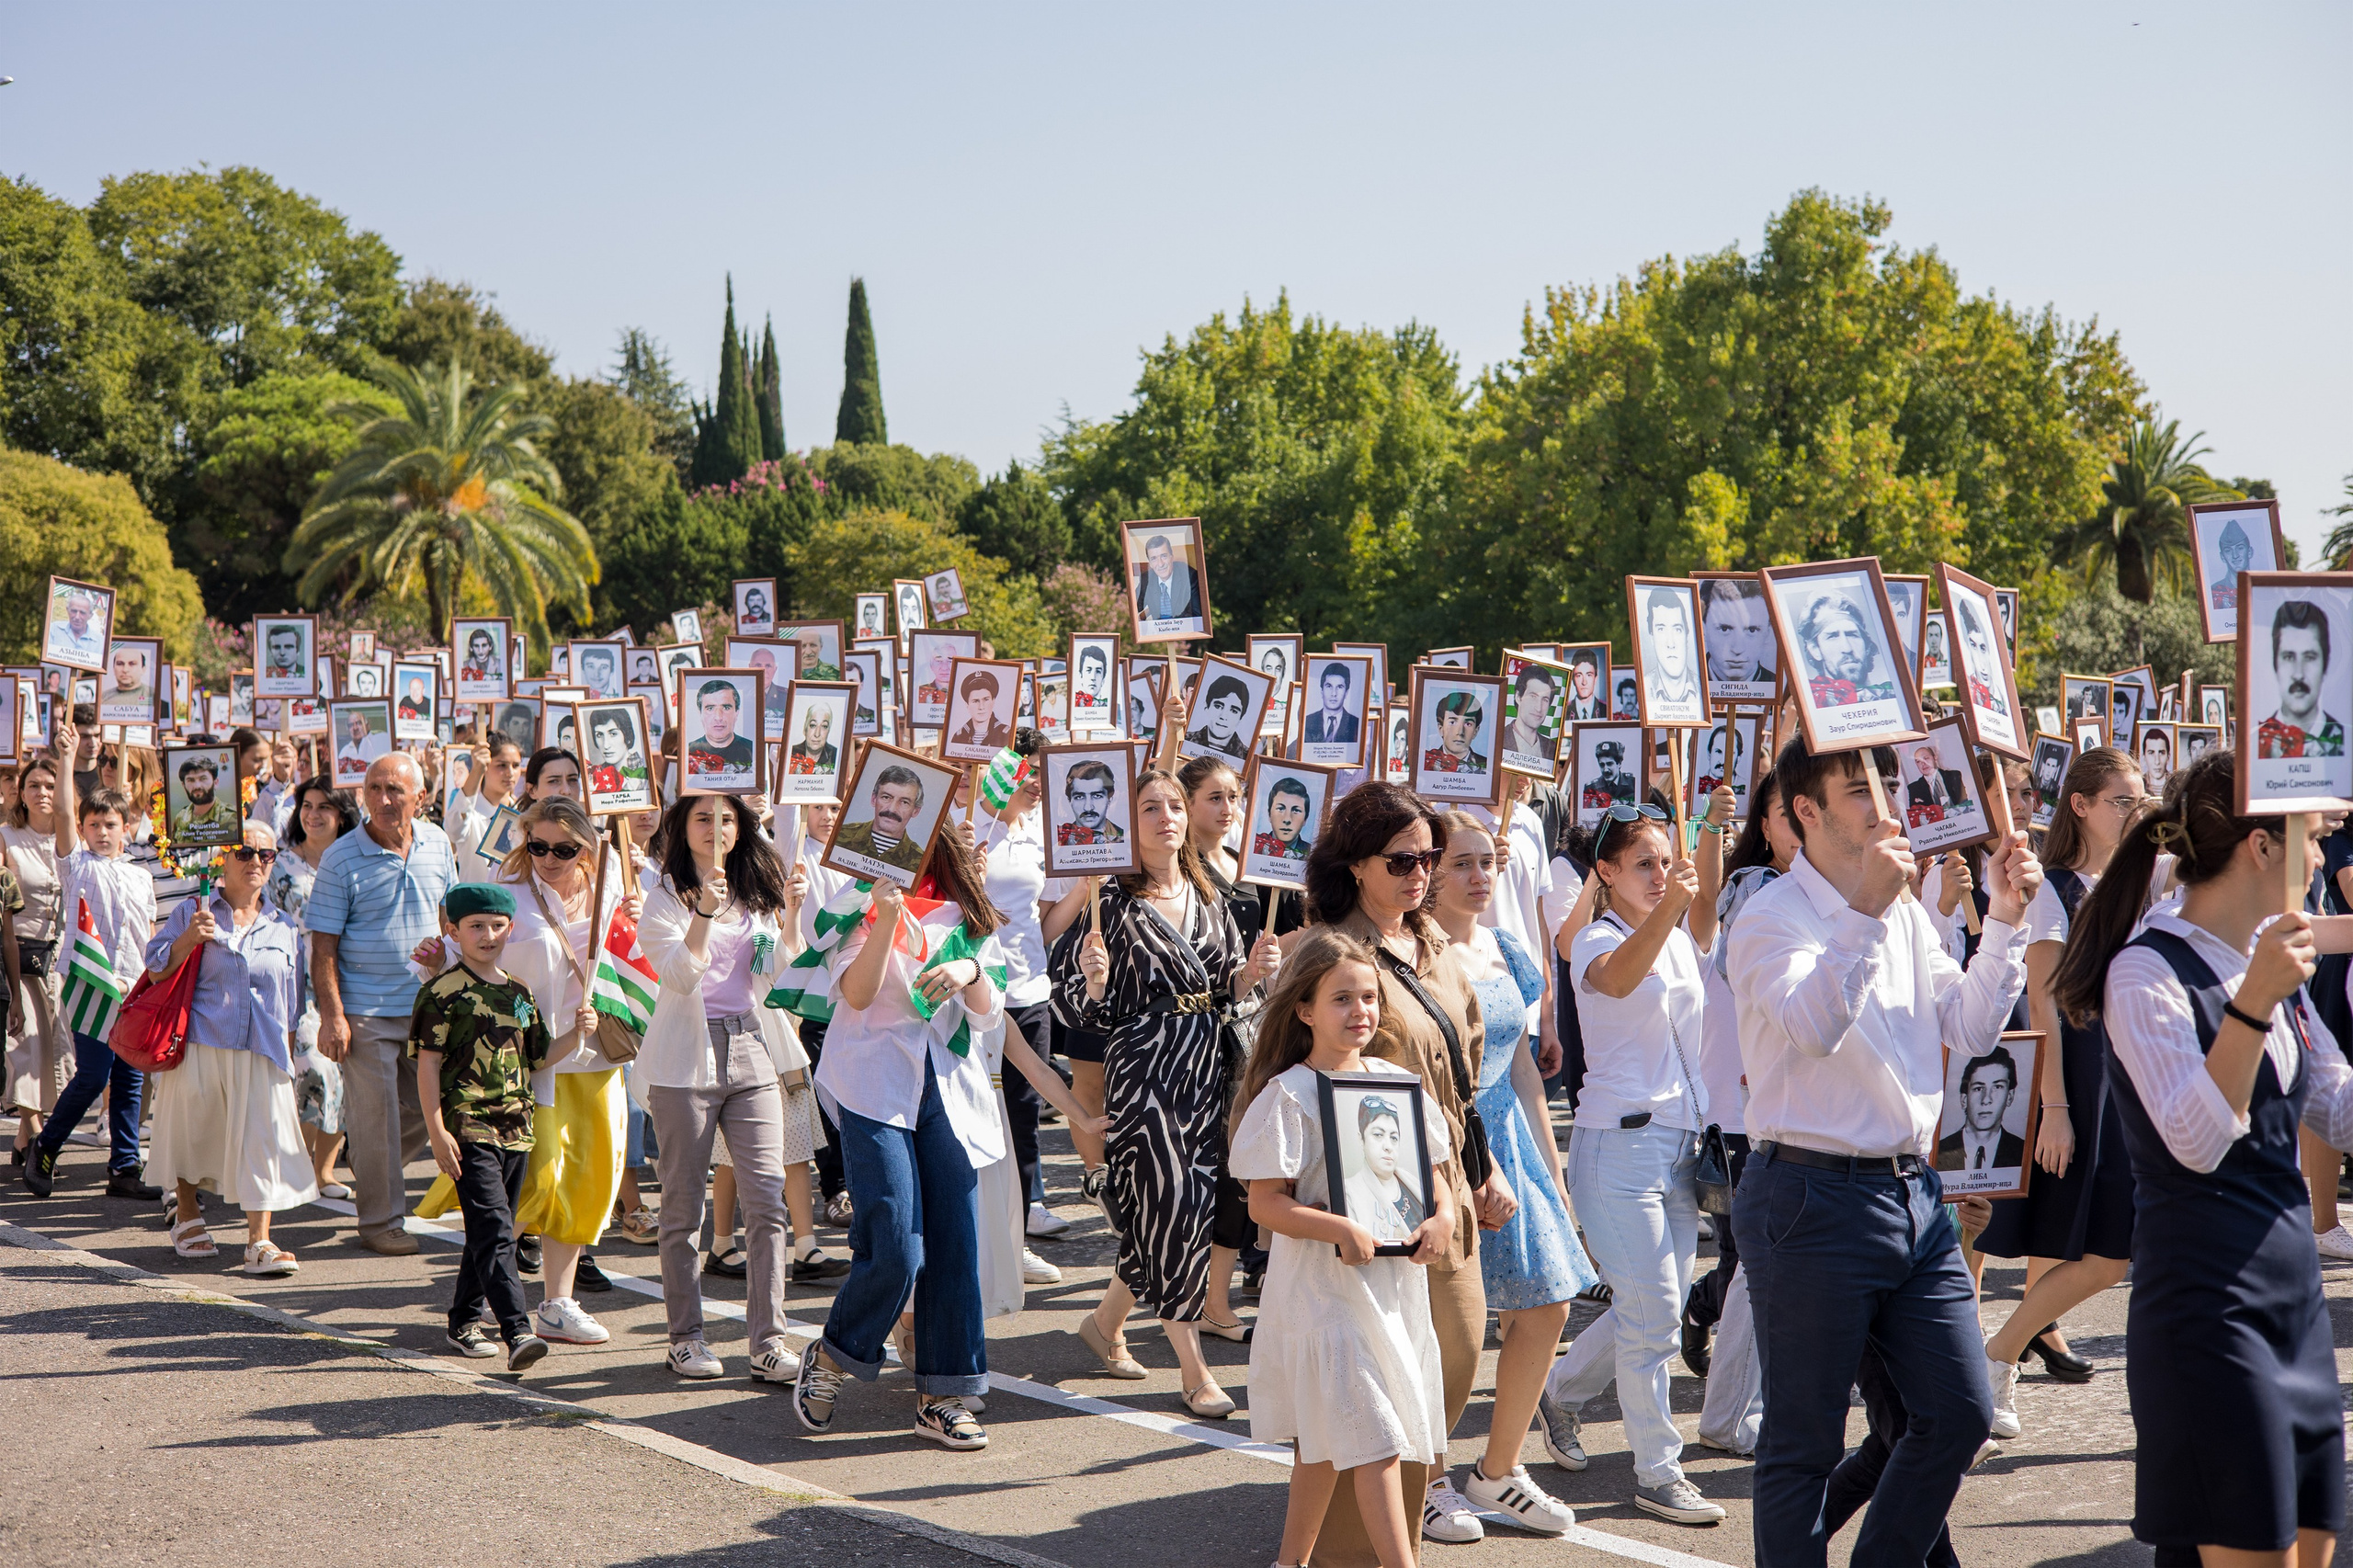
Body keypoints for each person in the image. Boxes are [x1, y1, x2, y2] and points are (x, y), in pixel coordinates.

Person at [1727, 734, 2040, 1567]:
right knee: (1802, 1443)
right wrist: (1866, 910)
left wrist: (2005, 921)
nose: (1886, 801)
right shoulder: (1766, 916)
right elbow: (1813, 1029)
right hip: (1807, 1196)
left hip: (1913, 1196)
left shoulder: (1900, 909)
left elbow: (1970, 1027)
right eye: (1858, 787)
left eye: (1887, 782)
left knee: (1959, 1413)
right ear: (1806, 811)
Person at [2051, 749, 2353, 1568]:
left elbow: (2339, 1108)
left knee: (2317, 1551)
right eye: (2313, 840)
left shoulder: (2265, 961)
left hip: (2295, 1305)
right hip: (2210, 1312)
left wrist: (2267, 989)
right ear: (2262, 848)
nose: (2323, 859)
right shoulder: (2149, 968)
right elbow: (2196, 1138)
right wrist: (2253, 1002)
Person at [1302, 780, 1510, 1551]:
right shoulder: (1335, 951)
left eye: (1428, 857)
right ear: (1356, 864)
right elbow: (1307, 1067)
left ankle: (1388, 1535)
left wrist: (1482, 1165)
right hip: (1373, 1186)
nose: (1419, 873)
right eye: (1400, 860)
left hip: (1449, 1185)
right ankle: (1358, 1553)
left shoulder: (1440, 947)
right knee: (1377, 1387)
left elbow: (1467, 1069)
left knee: (1449, 1364)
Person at [1053, 768, 1280, 1419]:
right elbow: (1074, 1008)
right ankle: (1194, 1371)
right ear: (1129, 825)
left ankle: (1103, 1323)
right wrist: (1094, 983)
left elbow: (1233, 994)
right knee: (1176, 1210)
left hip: (1209, 1066)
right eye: (1150, 807)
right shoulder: (1113, 906)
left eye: (1174, 805)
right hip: (1146, 1073)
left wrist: (1253, 974)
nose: (1166, 817)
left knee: (1183, 1212)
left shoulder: (1211, 894)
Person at [1232, 930, 1452, 1568]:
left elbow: (1428, 1172)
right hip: (1323, 1295)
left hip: (1388, 1290)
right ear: (1303, 1009)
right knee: (1376, 1435)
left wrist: (1438, 1216)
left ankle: (1289, 1562)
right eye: (1340, 999)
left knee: (1325, 1446)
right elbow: (1264, 1202)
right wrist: (1339, 1229)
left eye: (1369, 997)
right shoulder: (1290, 1095)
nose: (1361, 1011)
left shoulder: (1393, 1082)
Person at [789, 824, 1008, 1451]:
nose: (897, 820)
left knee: (954, 1242)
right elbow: (854, 996)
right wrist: (883, 917)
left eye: (914, 810)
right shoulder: (856, 896)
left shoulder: (966, 903)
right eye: (887, 805)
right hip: (872, 1084)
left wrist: (969, 967)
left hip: (948, 1087)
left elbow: (991, 1008)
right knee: (896, 1243)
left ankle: (942, 1395)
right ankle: (834, 1355)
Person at [1541, 798, 1726, 1524]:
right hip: (1615, 1149)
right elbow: (1618, 980)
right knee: (1652, 1317)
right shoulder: (1594, 939)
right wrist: (1670, 906)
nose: (1658, 873)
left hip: (1680, 1146)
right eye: (1641, 863)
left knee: (1658, 1307)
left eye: (1663, 859)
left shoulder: (1676, 933)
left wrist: (1709, 828)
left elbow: (1701, 912)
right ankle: (1658, 1471)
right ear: (1607, 872)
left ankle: (1557, 1392)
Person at [1972, 745, 2148, 1433]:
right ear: (2080, 805)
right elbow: (2041, 1008)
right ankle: (1998, 1357)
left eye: (2141, 801)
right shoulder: (2053, 888)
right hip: (2080, 1076)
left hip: (2133, 1077)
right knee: (2106, 1252)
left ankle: (2001, 1353)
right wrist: (2055, 1110)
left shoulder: (2143, 881)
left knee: (2111, 1253)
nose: (2136, 813)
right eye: (2122, 801)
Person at [1426, 812, 1592, 1535]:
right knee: (1445, 1328)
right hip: (1444, 1137)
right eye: (1461, 862)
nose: (1479, 875)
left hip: (1512, 1143)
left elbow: (1524, 1068)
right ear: (1426, 871)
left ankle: (1498, 1471)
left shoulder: (1504, 945)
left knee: (1549, 1304)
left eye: (1487, 860)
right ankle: (1427, 1476)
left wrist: (1552, 1172)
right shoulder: (1415, 953)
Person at [637, 792, 810, 1382]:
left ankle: (768, 1341)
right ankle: (684, 1337)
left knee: (767, 1200)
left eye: (728, 819)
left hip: (752, 1048)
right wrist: (703, 915)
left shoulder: (754, 891)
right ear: (682, 827)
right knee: (682, 1207)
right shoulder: (661, 896)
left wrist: (789, 915)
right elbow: (682, 975)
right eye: (703, 818)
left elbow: (775, 972)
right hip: (685, 1059)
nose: (716, 829)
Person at [1677, 772, 1801, 1457]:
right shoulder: (1754, 886)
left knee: (1758, 1266)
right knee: (1753, 1266)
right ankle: (1725, 1402)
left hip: (1784, 1109)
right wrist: (1707, 828)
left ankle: (1734, 1398)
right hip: (1746, 1110)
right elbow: (1711, 937)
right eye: (1787, 813)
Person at [305, 752, 460, 1256]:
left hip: (428, 1005)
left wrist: (448, 952)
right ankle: (379, 1223)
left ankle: (371, 1160)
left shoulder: (438, 843)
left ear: (421, 796)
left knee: (428, 1105)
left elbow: (449, 916)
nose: (385, 799)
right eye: (374, 789)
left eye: (396, 790)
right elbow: (322, 945)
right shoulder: (341, 857)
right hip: (365, 1010)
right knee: (375, 1119)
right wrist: (333, 1017)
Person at [147, 823, 314, 1269]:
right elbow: (156, 967)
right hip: (203, 1039)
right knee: (192, 1132)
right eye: (245, 851)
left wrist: (291, 1054)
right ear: (223, 857)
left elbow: (292, 998)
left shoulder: (283, 926)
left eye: (267, 854)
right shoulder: (194, 909)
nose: (256, 861)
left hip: (263, 1048)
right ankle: (186, 1214)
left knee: (262, 1141)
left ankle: (259, 1241)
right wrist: (187, 939)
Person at [412, 881, 553, 1371]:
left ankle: (463, 1321)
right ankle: (518, 1330)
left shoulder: (518, 992)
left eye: (497, 926)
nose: (488, 935)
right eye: (476, 926)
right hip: (467, 1124)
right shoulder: (441, 993)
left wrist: (582, 1030)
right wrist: (437, 1130)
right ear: (452, 931)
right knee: (494, 1228)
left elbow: (537, 1054)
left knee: (488, 1232)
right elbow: (427, 1065)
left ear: (510, 928)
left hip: (518, 1124)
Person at [21, 718, 162, 1200]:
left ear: (127, 830)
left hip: (132, 985)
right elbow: (62, 812)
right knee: (94, 1074)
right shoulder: (77, 863)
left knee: (129, 1077)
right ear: (82, 829)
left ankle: (125, 1166)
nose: (102, 831)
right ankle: (46, 1145)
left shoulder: (141, 875)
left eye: (111, 825)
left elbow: (147, 933)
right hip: (91, 982)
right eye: (93, 824)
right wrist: (67, 757)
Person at [271, 776, 356, 1198]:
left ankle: (325, 1171)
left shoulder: (355, 859)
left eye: (325, 806)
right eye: (307, 804)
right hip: (297, 986)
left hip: (352, 981)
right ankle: (298, 1163)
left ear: (342, 815)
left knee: (348, 1075)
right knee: (315, 1067)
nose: (314, 814)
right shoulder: (279, 863)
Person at [6, 758, 67, 1166]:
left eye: (50, 785)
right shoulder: (5, 836)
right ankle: (41, 1143)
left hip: (60, 958)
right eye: (33, 785)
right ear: (21, 793)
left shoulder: (69, 839)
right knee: (23, 1048)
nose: (42, 792)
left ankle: (24, 1141)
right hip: (16, 955)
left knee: (54, 1052)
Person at [2257, 598, 2343, 756]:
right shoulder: (2254, 742)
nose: (2298, 674)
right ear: (2275, 663)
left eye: (2309, 657)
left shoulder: (2346, 740)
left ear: (2326, 664)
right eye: (2289, 657)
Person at [1937, 1051, 2027, 1171]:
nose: (1986, 1100)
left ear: (2010, 1097)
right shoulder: (1938, 1150)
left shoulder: (2024, 1152)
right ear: (1964, 1099)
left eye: (1997, 1087)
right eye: (1978, 1089)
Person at [833, 765, 929, 875]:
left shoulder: (921, 862)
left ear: (915, 811)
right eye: (886, 797)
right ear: (874, 799)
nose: (892, 809)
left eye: (904, 802)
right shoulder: (839, 835)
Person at [1700, 576, 1775, 690]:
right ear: (1703, 629)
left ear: (1768, 633)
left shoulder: (1783, 693)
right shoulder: (1681, 690)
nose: (1737, 649)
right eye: (1724, 629)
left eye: (1752, 630)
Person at [1642, 587, 1702, 716]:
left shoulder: (1704, 690)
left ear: (1686, 635)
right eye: (1661, 630)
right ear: (1651, 637)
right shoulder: (1642, 690)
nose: (1671, 644)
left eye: (1677, 630)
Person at [686, 679, 756, 783]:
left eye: (726, 707)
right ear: (700, 713)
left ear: (737, 712)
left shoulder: (754, 751)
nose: (718, 717)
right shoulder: (687, 752)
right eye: (710, 708)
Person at [1133, 532, 1202, 624]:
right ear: (1149, 563)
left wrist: (1167, 627)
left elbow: (1197, 616)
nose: (1160, 564)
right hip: (1158, 634)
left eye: (1164, 556)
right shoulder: (1146, 579)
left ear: (1171, 557)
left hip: (1184, 634)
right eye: (1154, 558)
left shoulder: (1190, 576)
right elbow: (1133, 607)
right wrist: (1145, 613)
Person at [169, 753, 238, 841]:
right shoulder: (181, 817)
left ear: (216, 782)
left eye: (203, 779)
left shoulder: (232, 816)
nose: (197, 786)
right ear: (183, 785)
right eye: (190, 780)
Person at [1184, 675, 1252, 758]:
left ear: (1241, 717)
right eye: (1218, 706)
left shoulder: (1247, 758)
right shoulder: (1183, 741)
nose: (1223, 716)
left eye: (1234, 711)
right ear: (1206, 707)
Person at [1423, 691, 1486, 775]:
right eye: (1452, 722)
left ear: (1476, 731)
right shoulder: (1425, 762)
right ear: (1440, 728)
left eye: (1468, 724)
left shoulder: (1487, 766)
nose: (1460, 732)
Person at [1255, 777, 1313, 861]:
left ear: (1305, 819)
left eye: (1296, 810)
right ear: (1269, 814)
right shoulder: (1254, 846)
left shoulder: (1313, 854)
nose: (1287, 819)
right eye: (1280, 809)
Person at [1505, 665, 1555, 765]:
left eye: (1545, 700)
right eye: (1533, 696)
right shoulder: (1498, 741)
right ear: (1518, 697)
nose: (1538, 708)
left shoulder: (1553, 748)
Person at [951, 670, 1010, 752]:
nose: (981, 707)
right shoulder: (959, 736)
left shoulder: (1006, 734)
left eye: (986, 700)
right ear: (967, 705)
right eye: (975, 701)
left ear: (993, 701)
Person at [1304, 664, 1360, 745]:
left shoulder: (1356, 724)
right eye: (1329, 686)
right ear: (1321, 691)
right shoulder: (1307, 721)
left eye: (1340, 687)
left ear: (1346, 693)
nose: (1334, 693)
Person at [46, 587, 104, 665]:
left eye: (82, 613)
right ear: (67, 610)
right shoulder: (53, 629)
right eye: (74, 611)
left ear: (90, 615)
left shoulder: (100, 641)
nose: (77, 617)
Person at [1906, 744, 1969, 812]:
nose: (1923, 764)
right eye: (1918, 761)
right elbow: (1915, 814)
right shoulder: (1914, 788)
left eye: (1926, 758)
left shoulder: (1954, 776)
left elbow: (1964, 804)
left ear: (1935, 758)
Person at [785, 701, 838, 777]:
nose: (817, 734)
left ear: (828, 731)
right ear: (805, 728)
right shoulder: (790, 753)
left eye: (824, 726)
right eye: (813, 725)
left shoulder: (836, 756)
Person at [1564, 649, 1608, 721]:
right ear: (1572, 679)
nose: (1584, 682)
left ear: (1595, 678)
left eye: (1589, 675)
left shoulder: (1606, 709)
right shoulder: (1564, 711)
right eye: (1579, 675)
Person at [2139, 724, 2173, 790]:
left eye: (2161, 753)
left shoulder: (2177, 785)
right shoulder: (2138, 785)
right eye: (2151, 753)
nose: (2157, 761)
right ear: (2144, 757)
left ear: (2168, 756)